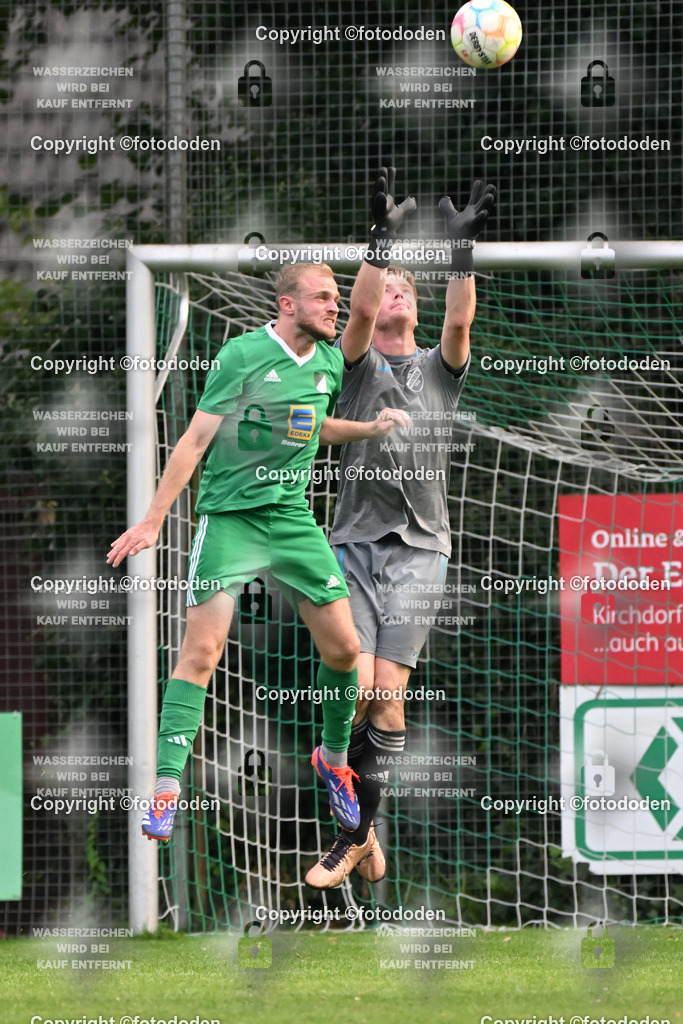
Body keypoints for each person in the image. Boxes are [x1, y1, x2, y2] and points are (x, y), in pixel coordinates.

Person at [107, 262, 410, 843]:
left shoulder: (326, 361)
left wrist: (367, 430)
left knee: (346, 650)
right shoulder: (242, 355)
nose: (335, 307)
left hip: (292, 521)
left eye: (338, 298)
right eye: (323, 298)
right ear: (287, 306)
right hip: (231, 522)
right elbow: (195, 440)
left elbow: (314, 426)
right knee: (201, 652)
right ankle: (167, 786)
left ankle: (331, 757)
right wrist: (154, 518)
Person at [305, 170, 496, 888]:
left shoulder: (437, 371)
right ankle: (364, 827)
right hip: (351, 545)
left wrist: (461, 252)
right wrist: (378, 246)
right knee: (352, 686)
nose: (393, 294)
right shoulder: (351, 369)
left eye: (403, 289)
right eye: (387, 286)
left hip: (421, 552)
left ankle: (351, 836)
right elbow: (351, 318)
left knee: (388, 691)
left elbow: (458, 323)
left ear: (412, 308)